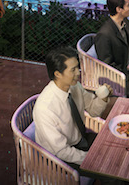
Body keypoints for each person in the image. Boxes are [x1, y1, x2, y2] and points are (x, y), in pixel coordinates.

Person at [33, 46, 110, 176]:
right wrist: (91, 159)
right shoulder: (45, 108)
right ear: (57, 74)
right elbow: (61, 151)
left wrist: (103, 98)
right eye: (73, 70)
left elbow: (93, 110)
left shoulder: (75, 87)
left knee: (113, 151)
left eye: (77, 68)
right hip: (60, 158)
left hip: (80, 140)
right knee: (110, 174)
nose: (78, 73)